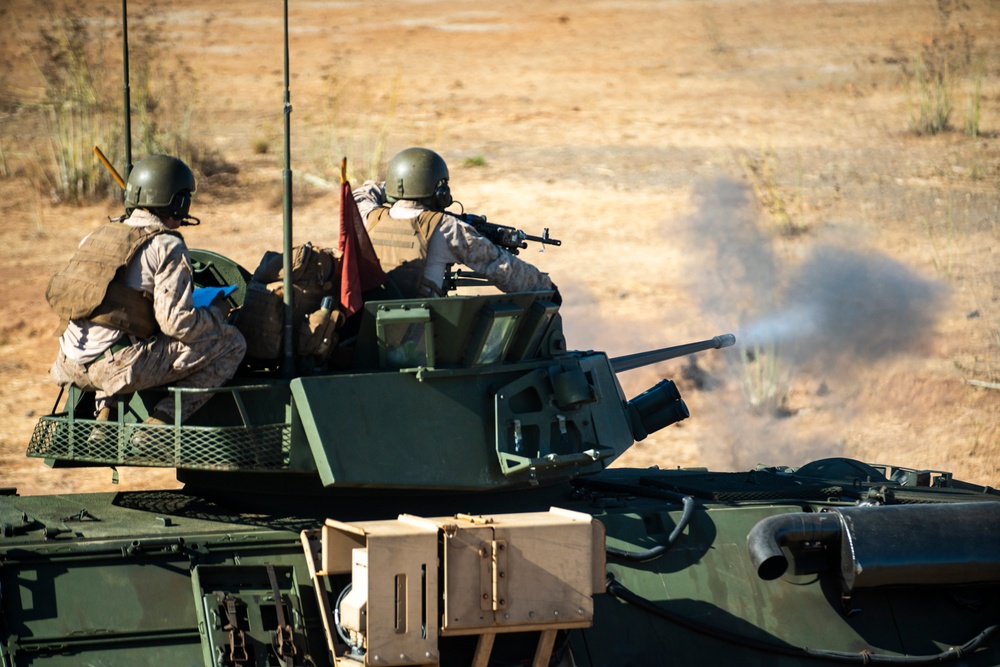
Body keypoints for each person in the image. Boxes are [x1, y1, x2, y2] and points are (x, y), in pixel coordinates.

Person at [47, 154, 246, 426]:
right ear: (178, 202)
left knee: (122, 326)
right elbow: (177, 324)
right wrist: (216, 313)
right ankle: (160, 423)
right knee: (231, 343)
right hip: (115, 369)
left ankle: (107, 412)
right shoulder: (167, 245)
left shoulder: (96, 236)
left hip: (69, 365)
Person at [353, 147, 555, 298]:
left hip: (370, 331)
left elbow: (361, 194)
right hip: (419, 339)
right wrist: (546, 286)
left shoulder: (369, 217)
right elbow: (502, 268)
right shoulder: (446, 228)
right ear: (440, 193)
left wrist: (401, 183)